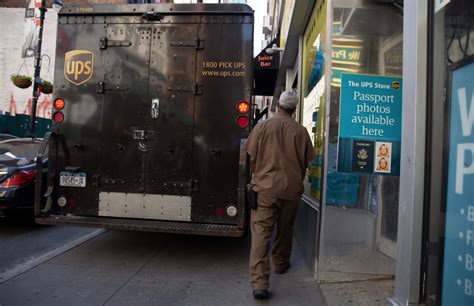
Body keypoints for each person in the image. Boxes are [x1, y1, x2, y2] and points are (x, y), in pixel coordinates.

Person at [244, 90, 316, 300]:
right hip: (291, 190)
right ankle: (281, 262)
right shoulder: (301, 131)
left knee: (261, 234)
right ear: (294, 109)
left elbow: (251, 155)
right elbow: (308, 160)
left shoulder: (263, 126)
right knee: (286, 229)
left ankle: (259, 283)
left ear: (277, 104)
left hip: (265, 189)